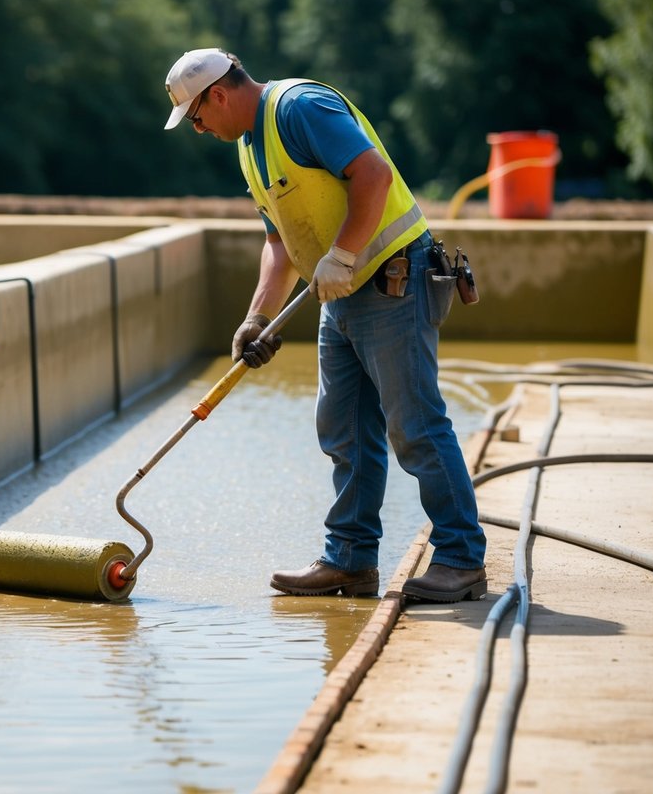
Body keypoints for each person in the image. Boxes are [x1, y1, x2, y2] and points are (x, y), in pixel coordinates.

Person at [163, 48, 486, 602]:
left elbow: (373, 175)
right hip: (341, 293)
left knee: (416, 427)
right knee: (344, 431)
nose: (198, 130)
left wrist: (342, 255)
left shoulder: (299, 108)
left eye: (195, 117)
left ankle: (461, 562)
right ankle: (351, 561)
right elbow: (278, 243)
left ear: (217, 94)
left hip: (392, 281)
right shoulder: (249, 148)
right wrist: (257, 316)